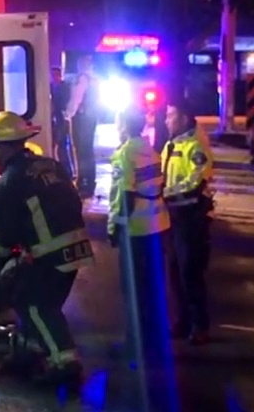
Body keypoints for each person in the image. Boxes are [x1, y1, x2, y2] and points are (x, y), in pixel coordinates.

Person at [0, 110, 95, 387]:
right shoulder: (51, 165)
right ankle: (26, 353)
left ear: (0, 146)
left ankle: (65, 364)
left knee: (35, 306)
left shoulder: (9, 181)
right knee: (27, 294)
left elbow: (5, 236)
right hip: (77, 246)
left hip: (49, 252)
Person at [107, 106, 172, 360]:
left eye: (118, 122)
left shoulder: (125, 154)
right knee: (152, 289)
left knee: (133, 291)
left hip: (135, 230)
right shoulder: (150, 150)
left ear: (124, 125)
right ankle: (154, 343)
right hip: (158, 225)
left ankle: (135, 347)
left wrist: (115, 227)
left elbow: (125, 195)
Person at [161, 99, 215, 346]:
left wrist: (166, 193)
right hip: (172, 217)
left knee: (190, 272)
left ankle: (199, 325)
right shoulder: (171, 145)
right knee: (174, 272)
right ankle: (182, 322)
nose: (166, 120)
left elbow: (196, 181)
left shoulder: (196, 147)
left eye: (170, 115)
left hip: (191, 218)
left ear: (183, 118)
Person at [70, 55, 99, 196]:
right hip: (91, 117)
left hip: (81, 118)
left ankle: (82, 181)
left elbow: (76, 99)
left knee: (80, 150)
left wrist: (68, 114)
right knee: (88, 150)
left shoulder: (81, 79)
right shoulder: (95, 79)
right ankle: (90, 181)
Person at [50, 67, 76, 179]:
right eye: (53, 75)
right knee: (59, 145)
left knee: (63, 145)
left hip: (63, 118)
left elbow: (64, 102)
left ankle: (68, 171)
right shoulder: (51, 86)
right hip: (56, 118)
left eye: (56, 74)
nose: (54, 77)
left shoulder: (64, 87)